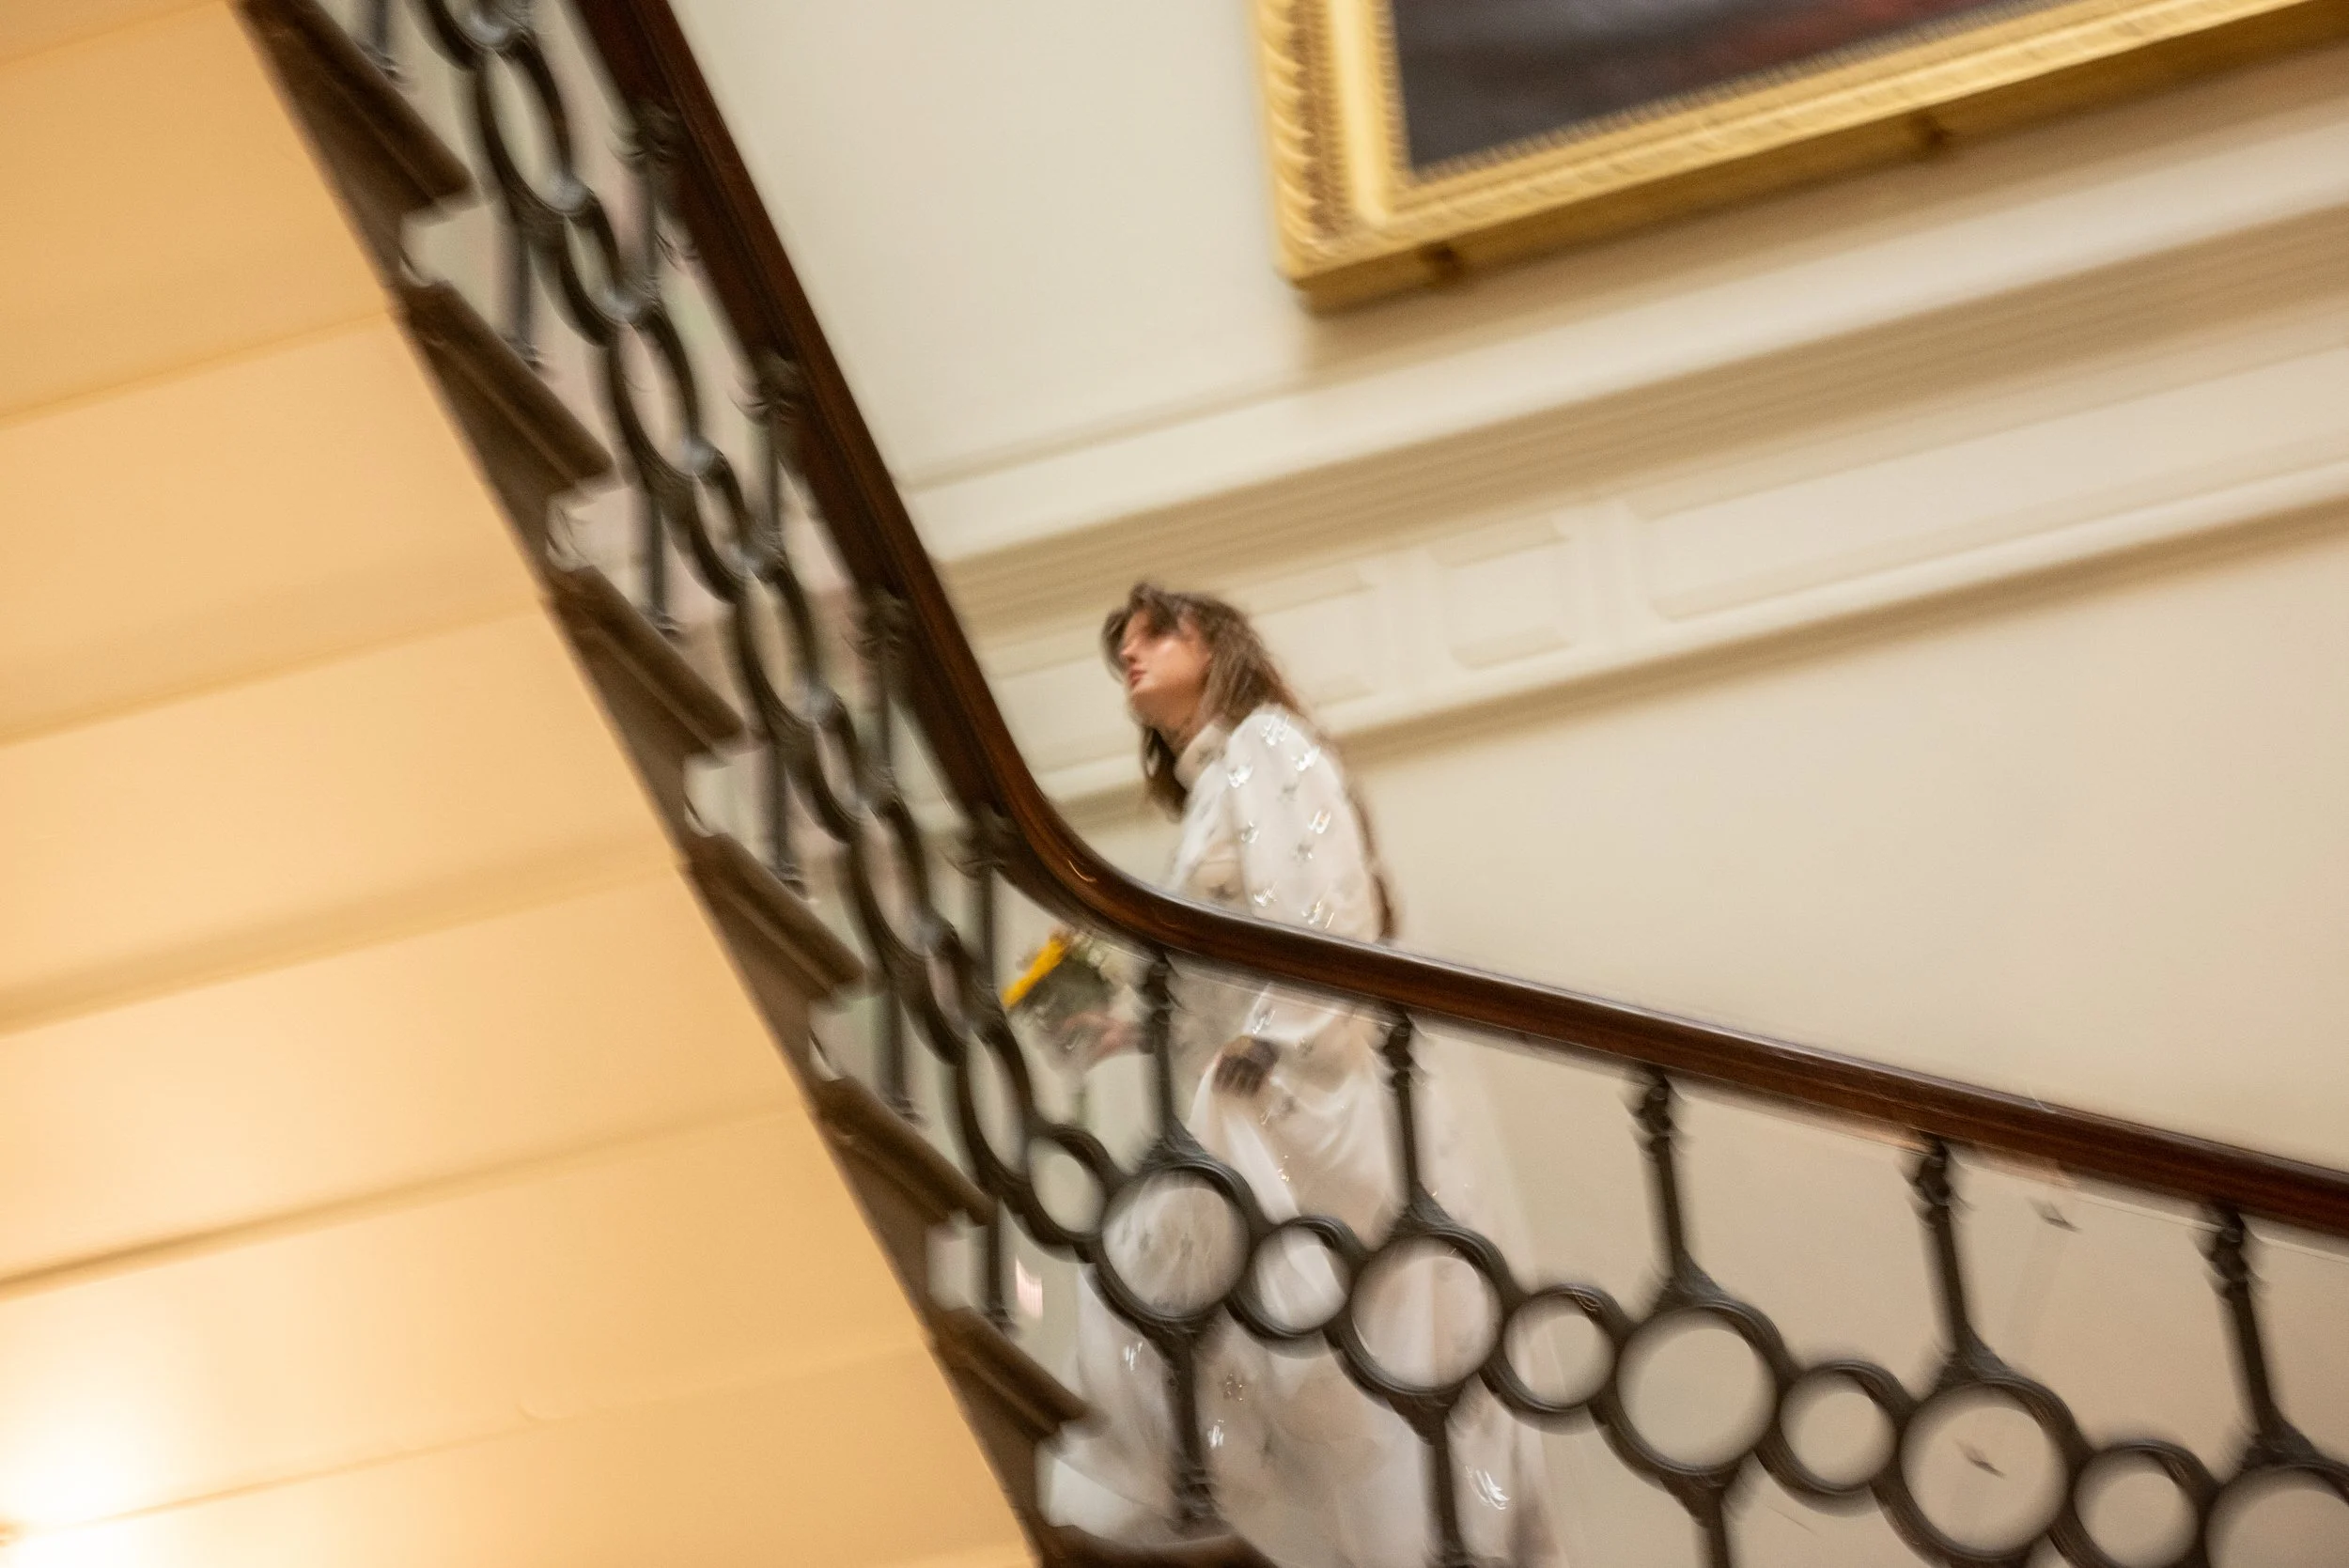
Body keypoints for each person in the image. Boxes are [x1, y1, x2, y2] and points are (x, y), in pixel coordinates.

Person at [1042, 583, 1567, 1568]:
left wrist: (1272, 1041)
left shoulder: (1268, 747)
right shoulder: (1216, 782)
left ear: (1217, 642)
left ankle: (1154, 1511)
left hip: (1307, 1099)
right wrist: (1129, 1027)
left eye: (1155, 632)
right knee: (1202, 1306)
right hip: (1262, 1091)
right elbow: (1226, 961)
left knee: (1349, 1350)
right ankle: (1148, 1507)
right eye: (1121, 644)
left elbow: (1325, 909)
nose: (1131, 654)